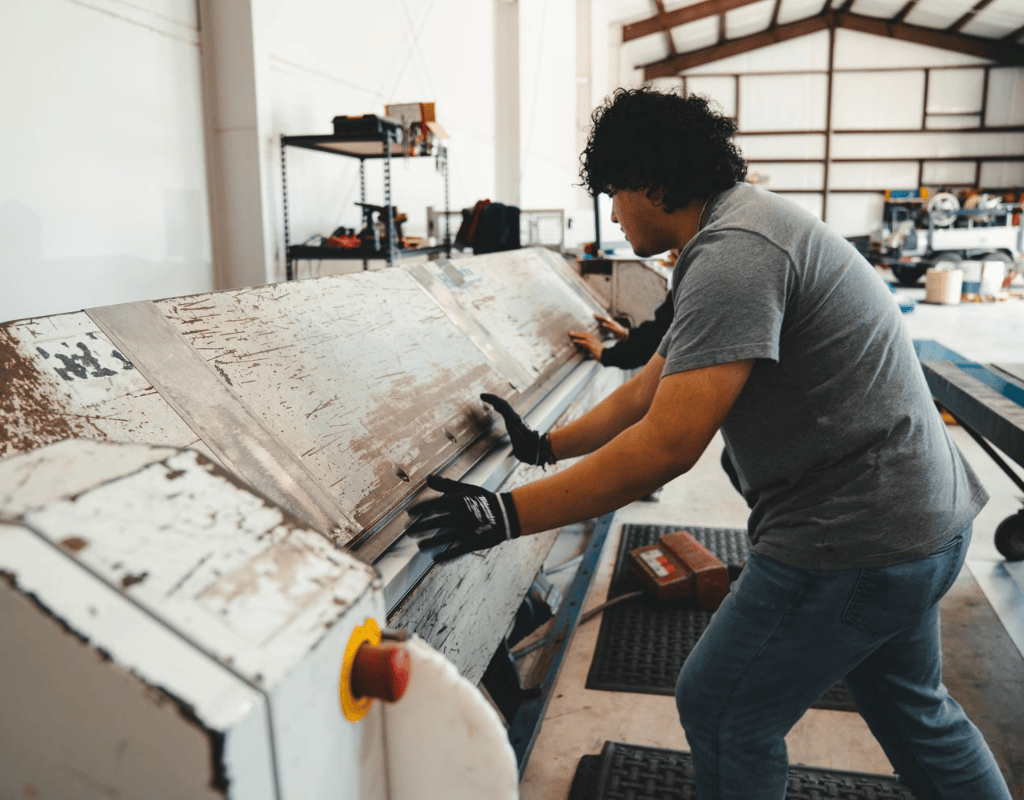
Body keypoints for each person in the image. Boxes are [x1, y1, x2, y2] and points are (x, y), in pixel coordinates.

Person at [408, 87, 1010, 799]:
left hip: (853, 537)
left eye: (614, 193)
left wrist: (502, 517)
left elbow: (667, 446)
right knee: (915, 713)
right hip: (921, 523)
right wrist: (543, 445)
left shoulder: (733, 255)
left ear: (653, 184)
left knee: (724, 708)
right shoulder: (740, 232)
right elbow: (645, 392)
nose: (613, 213)